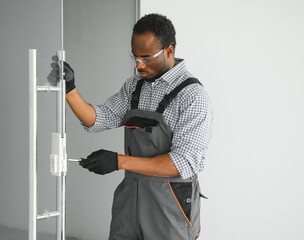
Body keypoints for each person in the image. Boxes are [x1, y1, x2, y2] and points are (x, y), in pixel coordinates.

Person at [48, 13, 213, 240]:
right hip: (131, 200)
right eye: (134, 57)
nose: (138, 65)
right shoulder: (135, 86)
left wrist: (118, 162)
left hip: (170, 205)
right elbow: (100, 119)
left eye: (146, 57)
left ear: (169, 51)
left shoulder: (192, 96)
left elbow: (181, 163)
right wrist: (70, 89)